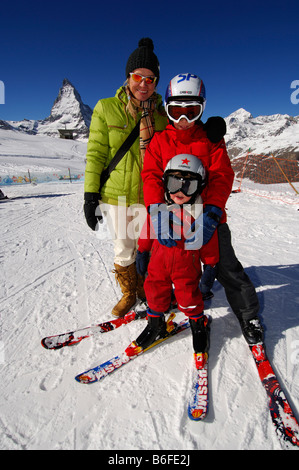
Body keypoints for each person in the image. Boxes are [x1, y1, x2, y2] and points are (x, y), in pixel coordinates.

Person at [83, 40, 226, 318]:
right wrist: (90, 195)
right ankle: (129, 293)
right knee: (125, 249)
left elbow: (181, 135)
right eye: (138, 77)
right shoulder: (106, 108)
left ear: (156, 82)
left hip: (157, 196)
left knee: (152, 247)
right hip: (118, 194)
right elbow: (96, 154)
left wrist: (209, 128)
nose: (143, 84)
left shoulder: (163, 113)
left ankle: (150, 289)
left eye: (150, 79)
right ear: (128, 77)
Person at [139, 73, 264, 345]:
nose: (184, 119)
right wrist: (156, 210)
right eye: (177, 111)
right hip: (171, 215)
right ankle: (161, 305)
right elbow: (150, 175)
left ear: (201, 109)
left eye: (191, 111)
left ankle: (248, 315)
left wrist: (213, 211)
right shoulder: (160, 141)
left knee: (227, 267)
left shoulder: (211, 138)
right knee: (162, 267)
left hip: (208, 216)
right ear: (168, 110)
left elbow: (221, 175)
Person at [126, 154, 218, 366]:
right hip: (158, 265)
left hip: (187, 268)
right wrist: (142, 251)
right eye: (174, 183)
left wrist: (211, 265)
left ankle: (197, 324)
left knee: (189, 297)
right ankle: (155, 324)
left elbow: (209, 243)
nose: (180, 192)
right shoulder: (159, 210)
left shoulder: (200, 215)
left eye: (189, 186)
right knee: (154, 293)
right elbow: (148, 230)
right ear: (165, 183)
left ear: (200, 187)